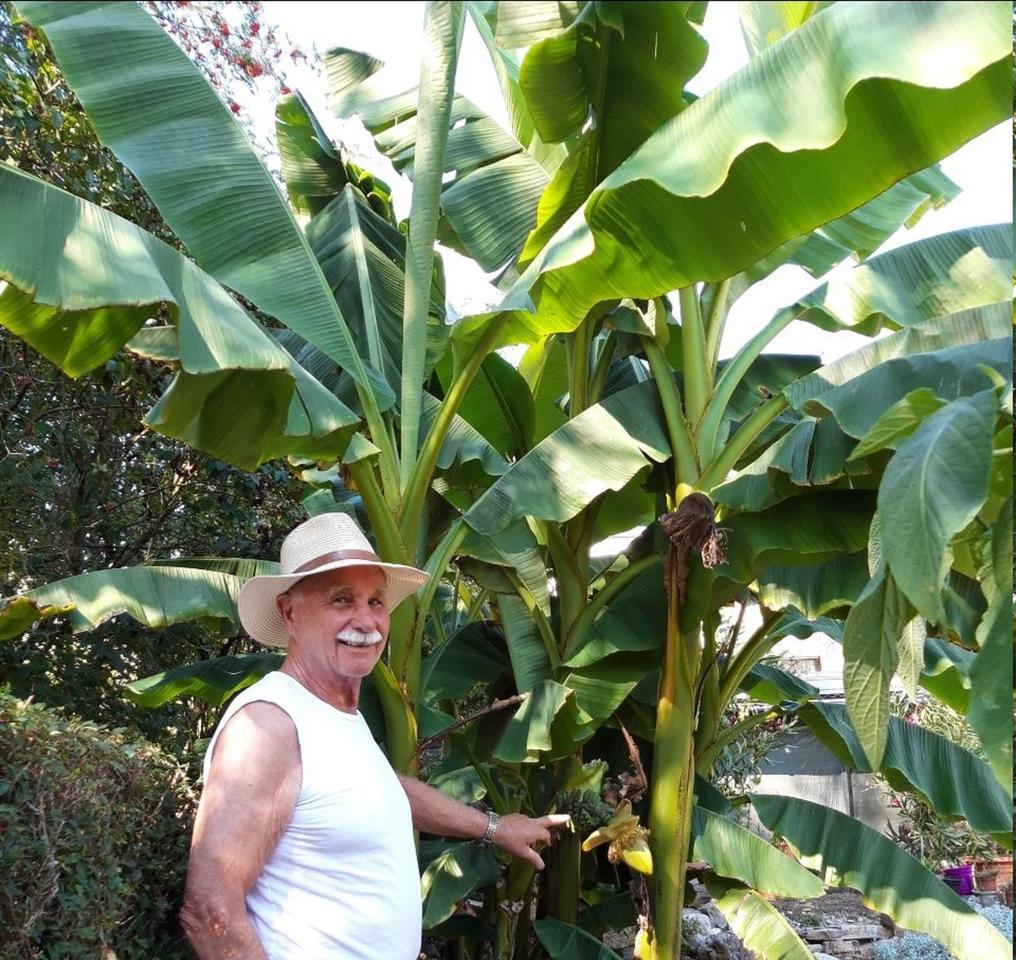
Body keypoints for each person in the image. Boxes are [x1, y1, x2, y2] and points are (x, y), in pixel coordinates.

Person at [181, 512, 570, 959]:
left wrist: (496, 827)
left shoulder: (336, 715)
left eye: (376, 602)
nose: (366, 622)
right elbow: (209, 911)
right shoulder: (268, 726)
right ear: (289, 612)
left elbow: (381, 788)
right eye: (341, 601)